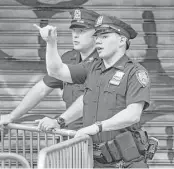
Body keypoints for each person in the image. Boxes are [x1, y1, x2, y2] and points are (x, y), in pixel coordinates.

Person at [36, 15, 153, 168]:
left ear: (122, 41)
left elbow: (133, 114)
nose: (98, 40)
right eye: (97, 36)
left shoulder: (135, 72)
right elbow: (56, 71)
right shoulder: (92, 68)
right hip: (96, 162)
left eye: (104, 36)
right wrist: (51, 43)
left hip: (126, 163)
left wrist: (97, 127)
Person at [0, 9, 99, 130]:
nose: (75, 35)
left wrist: (59, 121)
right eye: (73, 30)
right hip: (72, 138)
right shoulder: (69, 58)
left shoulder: (104, 61)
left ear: (96, 34)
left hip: (94, 138)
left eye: (82, 31)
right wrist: (11, 116)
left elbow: (88, 99)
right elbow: (42, 89)